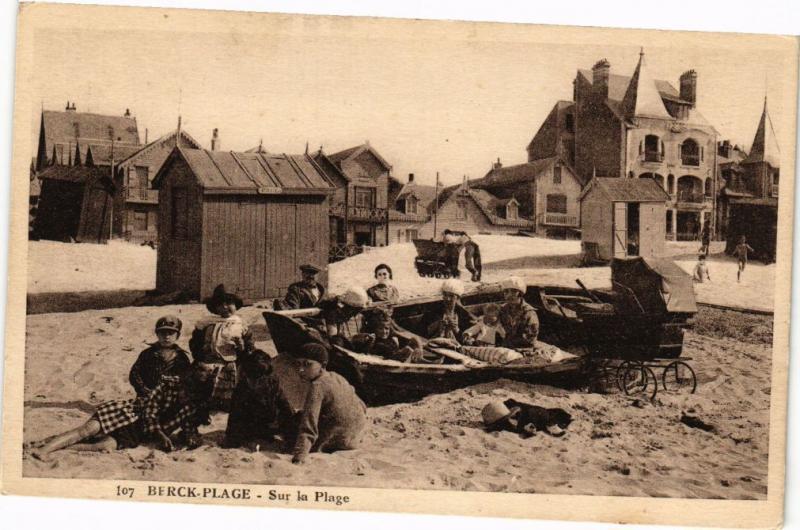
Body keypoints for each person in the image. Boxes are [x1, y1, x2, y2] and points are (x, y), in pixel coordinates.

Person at [29, 363, 218, 461]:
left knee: (102, 447)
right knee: (85, 431)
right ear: (191, 372)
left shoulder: (195, 404)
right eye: (198, 372)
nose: (201, 376)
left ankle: (53, 445)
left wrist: (191, 439)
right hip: (128, 413)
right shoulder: (170, 384)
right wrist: (160, 435)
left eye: (206, 374)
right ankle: (44, 450)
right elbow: (150, 411)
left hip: (137, 432)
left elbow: (188, 427)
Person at [291, 343, 367, 464]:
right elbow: (362, 405)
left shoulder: (317, 386)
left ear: (323, 365)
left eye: (307, 364)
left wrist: (299, 456)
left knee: (293, 422)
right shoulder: (337, 376)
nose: (301, 369)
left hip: (337, 442)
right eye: (298, 364)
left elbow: (309, 425)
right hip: (356, 437)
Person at [190, 284, 257, 411]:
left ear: (236, 305)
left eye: (229, 303)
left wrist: (241, 346)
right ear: (215, 308)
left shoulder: (241, 325)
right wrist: (201, 354)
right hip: (209, 361)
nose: (225, 307)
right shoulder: (206, 323)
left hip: (232, 363)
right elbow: (195, 343)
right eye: (220, 304)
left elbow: (250, 348)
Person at [129, 315, 192, 398]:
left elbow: (187, 378)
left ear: (178, 336)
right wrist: (144, 390)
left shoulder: (182, 357)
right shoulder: (147, 354)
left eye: (171, 333)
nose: (167, 337)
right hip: (148, 396)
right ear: (157, 334)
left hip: (172, 397)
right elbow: (134, 374)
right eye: (163, 333)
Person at [352, 307, 424, 363]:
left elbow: (414, 338)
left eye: (386, 329)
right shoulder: (371, 340)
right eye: (380, 329)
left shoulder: (391, 336)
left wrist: (419, 349)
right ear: (374, 329)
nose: (384, 332)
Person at [498, 276, 539, 348]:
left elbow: (530, 338)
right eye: (506, 291)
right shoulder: (502, 309)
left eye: (513, 291)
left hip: (523, 349)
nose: (509, 295)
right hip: (504, 347)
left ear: (520, 293)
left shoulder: (528, 312)